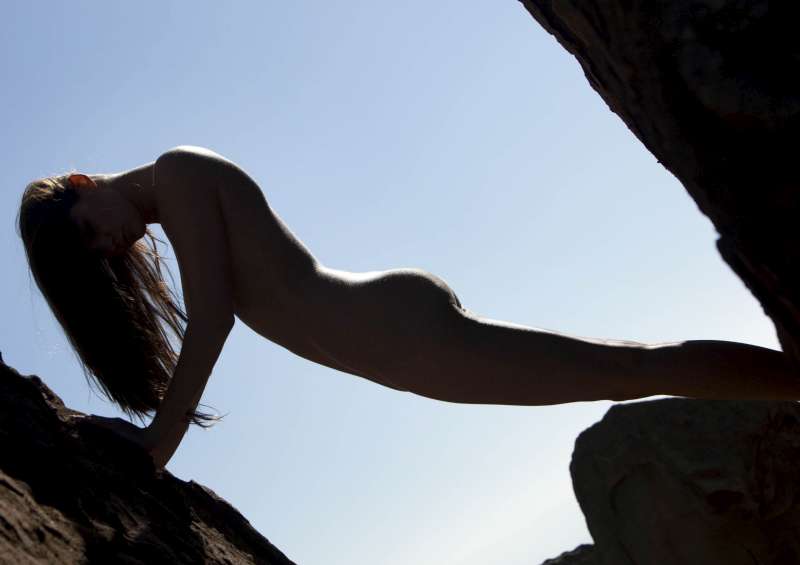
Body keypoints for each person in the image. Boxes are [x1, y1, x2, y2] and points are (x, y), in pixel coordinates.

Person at [17, 145, 800, 469]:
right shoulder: (172, 198)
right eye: (97, 258)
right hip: (399, 340)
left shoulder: (178, 174)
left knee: (632, 370)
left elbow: (213, 314)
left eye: (87, 231)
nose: (108, 246)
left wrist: (158, 442)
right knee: (625, 369)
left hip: (398, 327)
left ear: (83, 183)